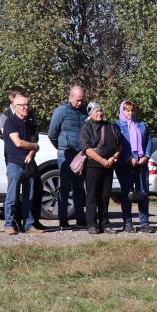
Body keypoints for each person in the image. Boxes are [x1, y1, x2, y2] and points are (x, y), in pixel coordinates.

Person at [0, 89, 43, 235]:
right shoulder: (10, 122)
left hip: (29, 163)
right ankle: (8, 224)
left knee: (29, 196)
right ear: (15, 105)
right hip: (14, 163)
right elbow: (18, 143)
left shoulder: (30, 122)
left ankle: (29, 225)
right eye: (22, 105)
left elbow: (33, 140)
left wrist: (32, 151)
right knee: (12, 196)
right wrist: (35, 147)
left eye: (27, 104)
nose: (25, 107)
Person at [79, 102, 125, 234]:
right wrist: (102, 160)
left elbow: (119, 144)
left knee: (105, 196)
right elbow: (86, 148)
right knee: (92, 195)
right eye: (96, 111)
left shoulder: (111, 126)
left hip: (109, 165)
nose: (99, 113)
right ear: (90, 113)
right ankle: (92, 224)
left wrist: (113, 158)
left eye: (100, 111)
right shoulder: (86, 127)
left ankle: (105, 223)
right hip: (93, 165)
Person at [48, 83, 88, 230]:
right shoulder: (61, 111)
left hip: (80, 154)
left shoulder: (85, 112)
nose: (80, 103)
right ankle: (62, 219)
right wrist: (61, 146)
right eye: (77, 99)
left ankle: (80, 218)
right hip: (65, 153)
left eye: (81, 100)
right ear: (70, 97)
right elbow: (52, 133)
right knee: (64, 187)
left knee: (79, 187)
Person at [115, 99, 153, 233]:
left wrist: (146, 156)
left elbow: (149, 139)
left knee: (143, 193)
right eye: (127, 110)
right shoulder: (117, 126)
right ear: (122, 111)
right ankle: (128, 223)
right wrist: (128, 158)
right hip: (125, 165)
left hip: (141, 163)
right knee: (127, 194)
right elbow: (118, 143)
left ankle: (145, 223)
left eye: (132, 110)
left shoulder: (141, 124)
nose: (130, 113)